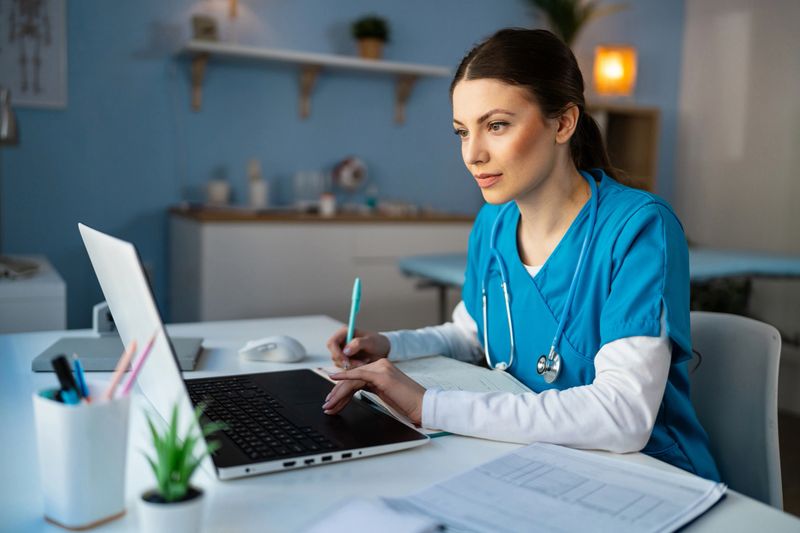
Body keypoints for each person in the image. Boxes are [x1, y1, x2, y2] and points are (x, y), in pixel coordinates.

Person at [323, 28, 719, 481]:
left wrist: (428, 405)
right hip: (535, 462)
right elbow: (473, 335)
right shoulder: (493, 225)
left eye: (496, 125)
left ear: (563, 123)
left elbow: (623, 416)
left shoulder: (638, 228)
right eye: (461, 131)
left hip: (647, 478)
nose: (472, 154)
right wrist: (391, 347)